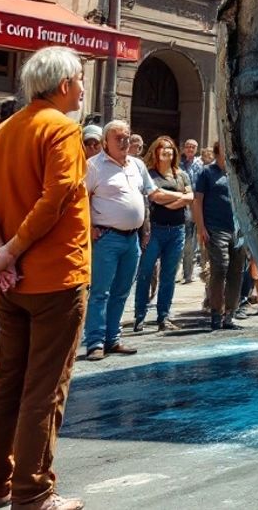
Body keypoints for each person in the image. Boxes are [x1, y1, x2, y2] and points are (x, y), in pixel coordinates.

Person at [0, 46, 91, 510]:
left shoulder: (3, 132)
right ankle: (34, 493)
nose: (83, 86)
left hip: (13, 281)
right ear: (64, 85)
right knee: (45, 387)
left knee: (7, 381)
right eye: (80, 78)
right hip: (56, 277)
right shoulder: (62, 128)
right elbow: (57, 195)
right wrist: (12, 250)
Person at [83, 120, 155, 360]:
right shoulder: (93, 166)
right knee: (100, 292)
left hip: (131, 239)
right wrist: (89, 227)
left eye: (127, 137)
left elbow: (149, 194)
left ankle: (113, 339)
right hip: (107, 238)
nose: (124, 142)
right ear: (106, 142)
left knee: (122, 291)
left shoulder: (137, 165)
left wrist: (184, 197)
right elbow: (80, 199)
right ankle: (95, 342)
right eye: (119, 138)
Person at [133, 137, 192, 333]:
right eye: (163, 149)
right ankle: (139, 316)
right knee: (145, 273)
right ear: (156, 152)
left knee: (168, 275)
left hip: (177, 231)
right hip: (155, 230)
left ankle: (163, 317)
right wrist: (179, 196)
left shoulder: (181, 174)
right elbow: (155, 197)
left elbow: (190, 197)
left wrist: (170, 200)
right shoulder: (149, 174)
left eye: (170, 149)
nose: (167, 152)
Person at [193, 142, 244, 330]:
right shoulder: (207, 172)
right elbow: (197, 202)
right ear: (216, 152)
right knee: (220, 269)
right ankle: (216, 314)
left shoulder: (235, 172)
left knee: (236, 272)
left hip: (237, 230)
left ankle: (230, 315)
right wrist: (201, 228)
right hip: (215, 228)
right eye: (225, 147)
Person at [179, 140, 204, 285]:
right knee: (182, 239)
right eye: (187, 146)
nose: (190, 149)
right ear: (184, 148)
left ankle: (188, 273)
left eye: (193, 147)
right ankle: (176, 272)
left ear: (196, 149)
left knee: (191, 241)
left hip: (195, 204)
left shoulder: (200, 165)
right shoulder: (177, 164)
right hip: (181, 203)